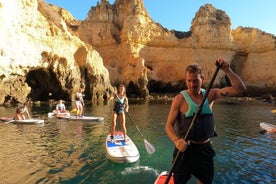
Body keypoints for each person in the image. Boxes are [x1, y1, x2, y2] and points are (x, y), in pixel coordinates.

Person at [165, 58, 247, 184]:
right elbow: (168, 125)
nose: (192, 84)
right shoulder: (179, 99)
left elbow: (240, 89)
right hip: (184, 151)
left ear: (202, 79)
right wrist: (176, 141)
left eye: (196, 80)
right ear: (185, 81)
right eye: (189, 81)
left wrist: (227, 70)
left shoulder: (211, 95)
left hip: (205, 150)